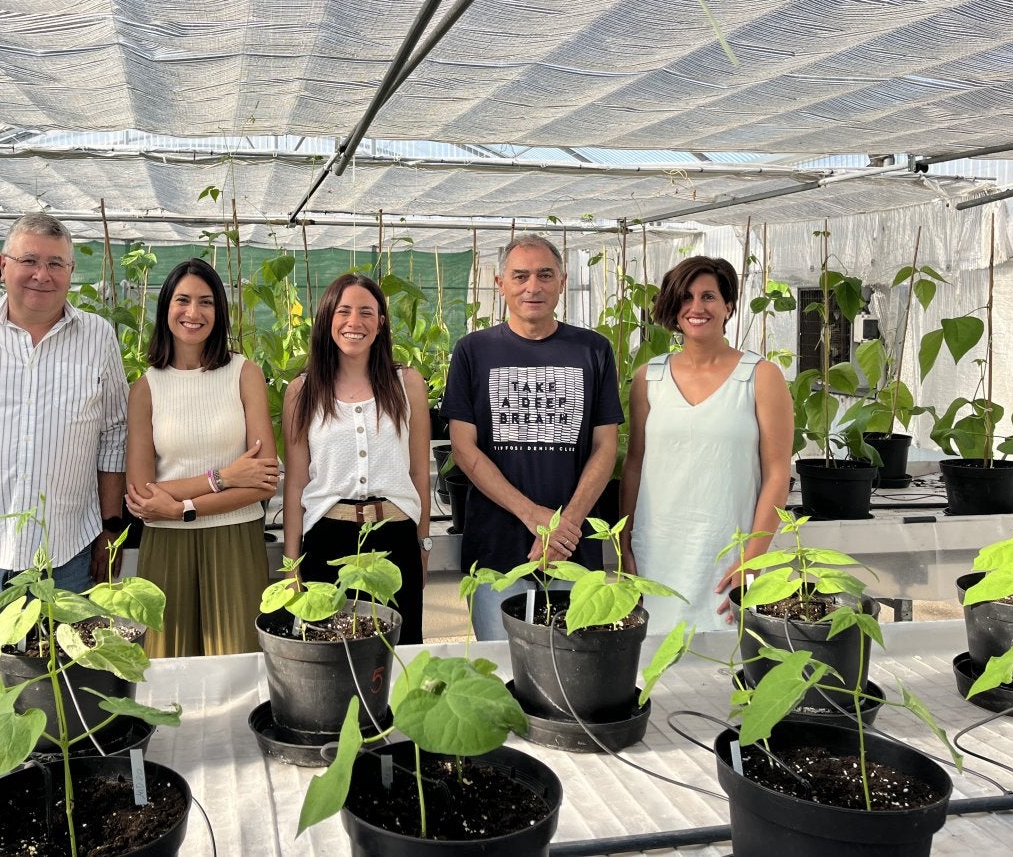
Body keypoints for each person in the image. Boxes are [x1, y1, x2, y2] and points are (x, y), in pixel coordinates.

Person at [0, 213, 129, 669]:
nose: (42, 274)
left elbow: (114, 434)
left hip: (66, 549)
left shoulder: (99, 337)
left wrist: (110, 533)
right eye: (29, 259)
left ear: (72, 273)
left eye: (56, 264)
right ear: (2, 264)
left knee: (59, 684)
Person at [442, 234, 622, 640]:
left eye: (545, 275)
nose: (532, 287)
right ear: (499, 282)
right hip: (495, 552)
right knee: (503, 669)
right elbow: (463, 448)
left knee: (573, 669)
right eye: (520, 276)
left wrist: (565, 526)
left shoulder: (593, 350)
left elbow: (605, 447)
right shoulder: (473, 350)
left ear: (562, 280)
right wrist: (533, 515)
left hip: (572, 552)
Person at [620, 255, 793, 634]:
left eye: (708, 297)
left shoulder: (760, 376)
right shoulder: (649, 378)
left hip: (728, 553)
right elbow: (634, 464)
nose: (696, 307)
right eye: (685, 297)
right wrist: (625, 545)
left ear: (729, 305)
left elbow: (778, 473)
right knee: (655, 662)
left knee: (728, 661)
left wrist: (753, 559)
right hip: (659, 551)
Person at [123, 258, 278, 657]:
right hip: (165, 545)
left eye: (206, 302)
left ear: (219, 311)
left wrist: (181, 507)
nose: (193, 313)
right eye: (183, 300)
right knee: (165, 662)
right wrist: (223, 477)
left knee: (238, 663)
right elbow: (141, 495)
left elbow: (262, 481)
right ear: (166, 308)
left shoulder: (244, 374)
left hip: (236, 538)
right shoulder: (146, 388)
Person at [282, 273, 433, 645]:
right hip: (327, 539)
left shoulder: (407, 384)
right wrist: (291, 566)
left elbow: (418, 472)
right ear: (327, 319)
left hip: (394, 536)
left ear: (380, 323)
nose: (355, 322)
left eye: (367, 312)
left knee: (398, 652)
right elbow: (297, 483)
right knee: (330, 656)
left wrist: (423, 544)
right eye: (343, 311)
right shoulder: (302, 391)